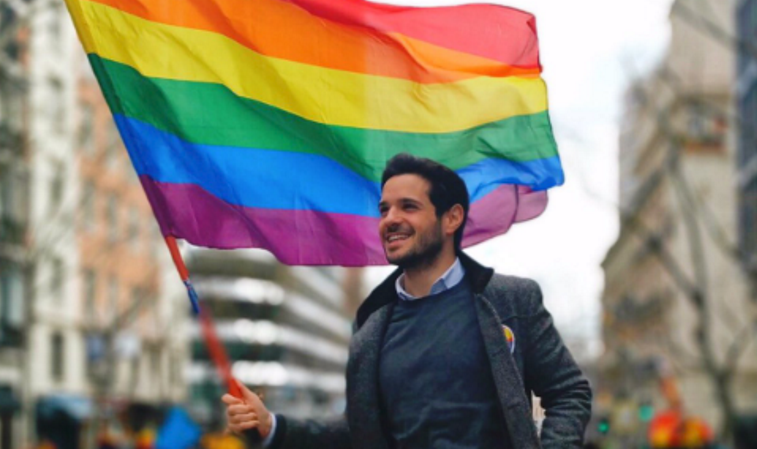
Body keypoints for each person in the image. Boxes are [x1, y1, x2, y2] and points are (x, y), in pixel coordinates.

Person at [223, 153, 592, 448]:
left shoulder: (511, 301)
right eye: (384, 209)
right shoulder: (370, 325)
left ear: (452, 219)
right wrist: (273, 426)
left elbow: (569, 391)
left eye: (408, 207)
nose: (390, 219)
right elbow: (359, 430)